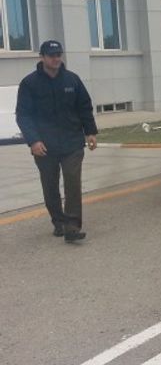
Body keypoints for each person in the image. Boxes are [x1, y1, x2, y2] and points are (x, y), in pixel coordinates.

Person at [15, 40, 98, 243]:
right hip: (44, 146)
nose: (56, 58)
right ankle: (58, 221)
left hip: (71, 142)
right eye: (52, 55)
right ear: (42, 57)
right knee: (50, 185)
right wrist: (33, 141)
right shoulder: (30, 83)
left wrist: (90, 132)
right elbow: (23, 115)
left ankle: (72, 227)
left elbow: (84, 107)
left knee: (72, 183)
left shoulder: (72, 80)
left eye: (59, 55)